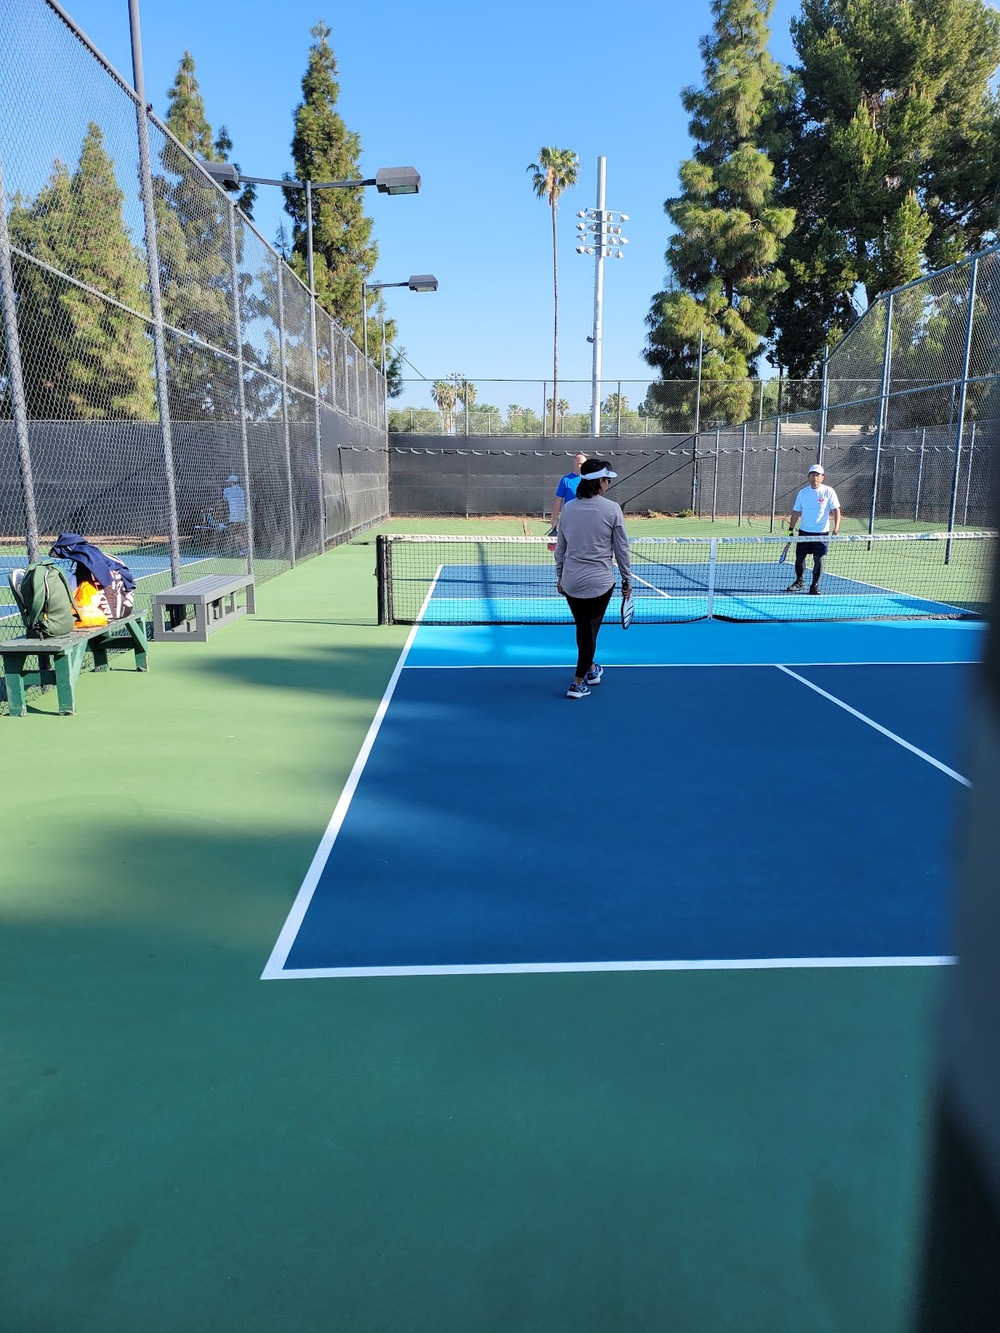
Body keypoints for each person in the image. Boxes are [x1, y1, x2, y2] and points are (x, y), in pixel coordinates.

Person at [554, 458, 632, 699]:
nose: (608, 483)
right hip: (600, 583)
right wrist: (627, 580)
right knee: (590, 631)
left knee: (583, 627)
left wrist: (559, 575)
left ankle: (590, 668)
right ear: (599, 482)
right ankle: (577, 682)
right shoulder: (612, 509)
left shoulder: (567, 508)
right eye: (607, 479)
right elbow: (622, 549)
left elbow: (560, 548)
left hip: (571, 582)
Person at [785, 463, 841, 595]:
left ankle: (814, 585)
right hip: (804, 532)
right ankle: (800, 581)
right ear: (808, 477)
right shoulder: (803, 493)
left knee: (818, 559)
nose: (815, 477)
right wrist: (790, 531)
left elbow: (836, 510)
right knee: (799, 558)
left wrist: (836, 528)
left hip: (821, 533)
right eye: (812, 474)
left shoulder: (828, 492)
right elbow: (795, 512)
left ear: (823, 477)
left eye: (817, 475)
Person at [548, 452, 588, 536]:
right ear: (574, 464)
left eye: (584, 464)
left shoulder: (590, 480)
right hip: (570, 518)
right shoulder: (565, 480)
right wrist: (555, 518)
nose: (583, 466)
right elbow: (559, 499)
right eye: (580, 463)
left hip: (586, 518)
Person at [222, 474, 247, 555]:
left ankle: (244, 548)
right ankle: (242, 550)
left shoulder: (227, 490)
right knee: (241, 533)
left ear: (231, 482)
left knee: (236, 534)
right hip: (242, 516)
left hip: (234, 517)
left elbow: (225, 500)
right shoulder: (241, 490)